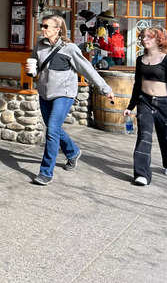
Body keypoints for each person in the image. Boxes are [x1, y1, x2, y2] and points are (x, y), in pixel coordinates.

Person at [29, 15, 114, 185]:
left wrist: (105, 89)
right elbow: (36, 66)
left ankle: (46, 172)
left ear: (57, 29)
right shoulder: (39, 46)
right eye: (42, 25)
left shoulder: (70, 48)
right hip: (45, 93)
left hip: (64, 94)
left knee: (52, 130)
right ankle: (73, 152)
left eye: (46, 26)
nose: (43, 29)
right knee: (54, 128)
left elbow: (87, 69)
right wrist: (31, 71)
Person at [123, 27, 167, 186]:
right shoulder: (140, 59)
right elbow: (138, 84)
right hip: (145, 102)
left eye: (148, 37)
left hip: (165, 104)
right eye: (143, 37)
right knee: (144, 136)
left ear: (158, 40)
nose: (144, 40)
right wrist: (130, 106)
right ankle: (141, 174)